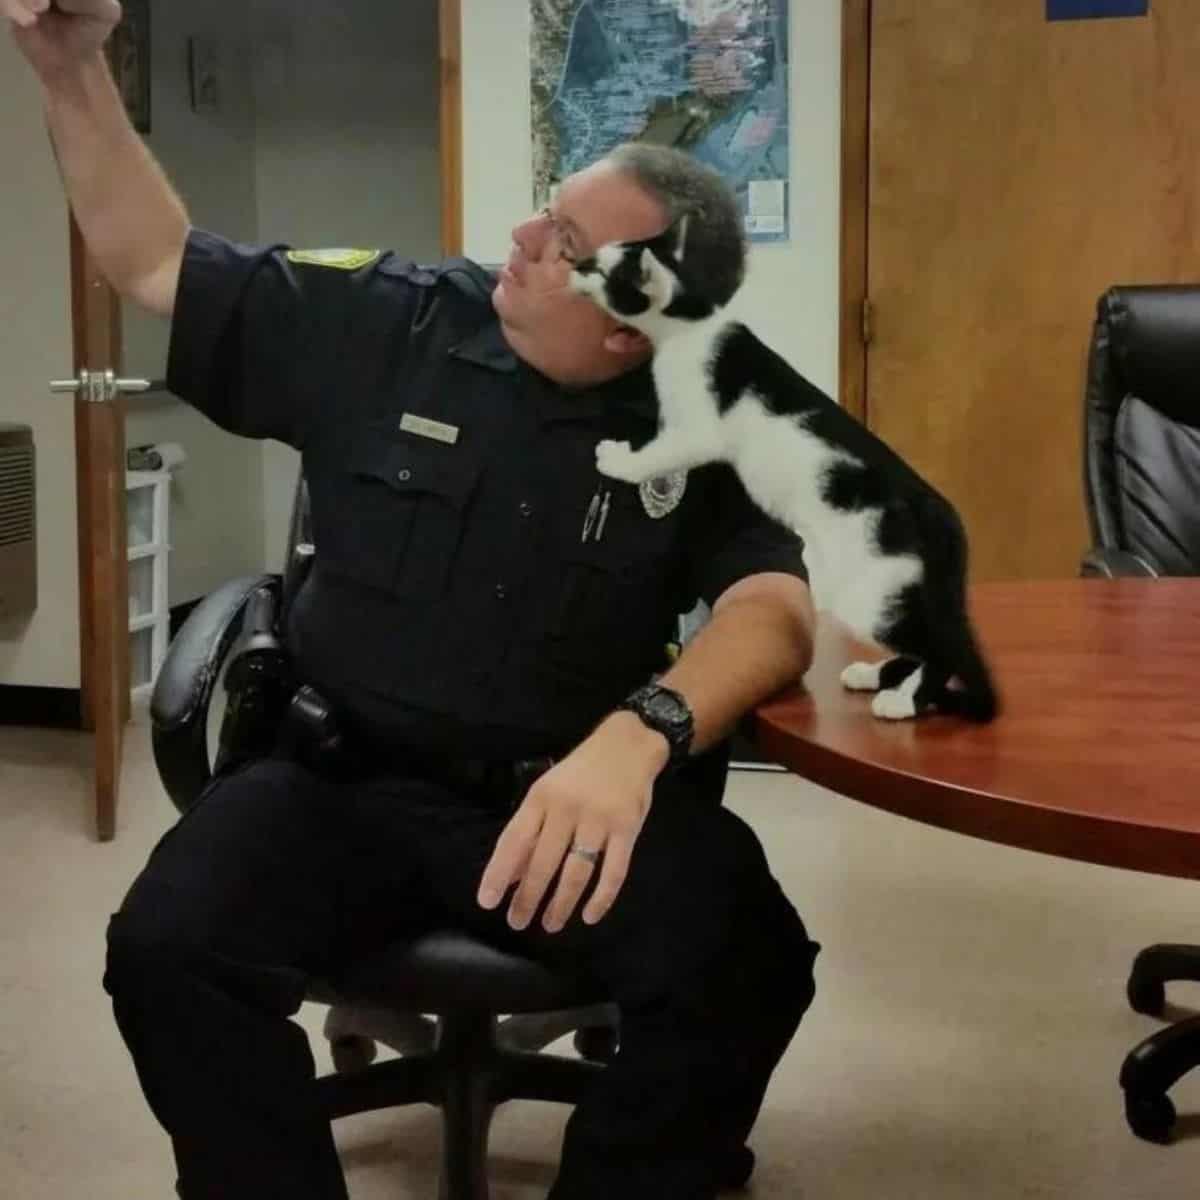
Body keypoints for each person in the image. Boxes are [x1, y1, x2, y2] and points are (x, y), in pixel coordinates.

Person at [7, 3, 822, 1198]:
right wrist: (70, 69)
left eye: (563, 239)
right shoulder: (390, 319)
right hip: (345, 781)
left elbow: (775, 608)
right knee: (166, 949)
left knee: (750, 962)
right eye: (544, 209)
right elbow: (151, 263)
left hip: (566, 805)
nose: (520, 237)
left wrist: (640, 736)